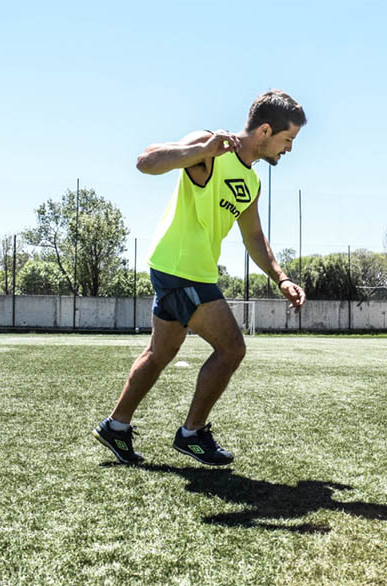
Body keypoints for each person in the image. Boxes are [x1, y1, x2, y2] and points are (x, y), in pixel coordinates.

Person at [93, 90, 307, 466]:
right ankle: (192, 434)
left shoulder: (251, 182)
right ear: (265, 130)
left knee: (161, 353)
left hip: (188, 270)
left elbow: (253, 237)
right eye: (287, 140)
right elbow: (146, 162)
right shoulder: (211, 147)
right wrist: (200, 151)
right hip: (181, 269)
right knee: (232, 348)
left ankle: (116, 427)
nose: (288, 149)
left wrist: (281, 277)